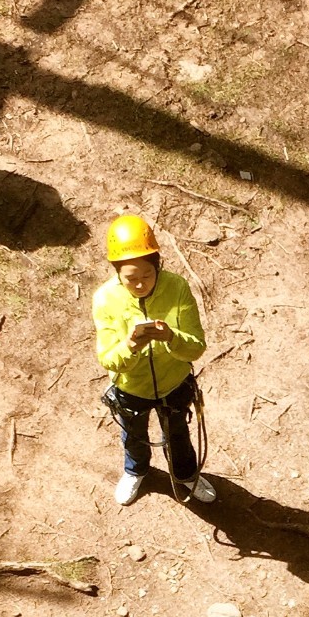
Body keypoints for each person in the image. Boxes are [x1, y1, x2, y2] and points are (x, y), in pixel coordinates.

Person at [93, 212, 215, 507]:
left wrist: (171, 338)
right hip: (131, 388)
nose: (139, 285)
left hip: (173, 382)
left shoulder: (177, 288)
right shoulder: (105, 299)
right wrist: (131, 346)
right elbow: (108, 359)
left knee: (178, 433)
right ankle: (136, 470)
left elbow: (196, 347)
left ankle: (185, 475)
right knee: (133, 435)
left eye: (147, 275)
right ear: (116, 272)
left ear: (158, 264)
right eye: (130, 279)